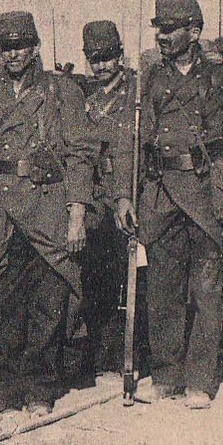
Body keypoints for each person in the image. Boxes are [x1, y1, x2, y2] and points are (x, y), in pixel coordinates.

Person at [113, 0, 223, 409]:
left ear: (194, 31)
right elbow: (129, 142)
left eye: (170, 28)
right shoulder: (147, 80)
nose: (161, 36)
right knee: (162, 291)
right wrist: (124, 197)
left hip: (207, 195)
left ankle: (199, 381)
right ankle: (166, 376)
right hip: (161, 195)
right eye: (158, 28)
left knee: (207, 291)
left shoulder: (222, 81)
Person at [0, 11, 93, 414]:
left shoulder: (61, 92)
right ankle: (6, 384)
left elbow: (81, 154)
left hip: (47, 204)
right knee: (1, 300)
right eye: (6, 47)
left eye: (20, 46)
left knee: (48, 302)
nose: (13, 55)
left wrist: (76, 211)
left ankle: (41, 385)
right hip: (1, 207)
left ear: (36, 48)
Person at [76, 20, 142, 377]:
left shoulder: (136, 91)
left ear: (120, 54)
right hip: (97, 194)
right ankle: (97, 349)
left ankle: (129, 350)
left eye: (107, 57)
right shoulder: (86, 97)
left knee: (130, 276)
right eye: (94, 59)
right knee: (96, 277)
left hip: (129, 192)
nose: (101, 66)